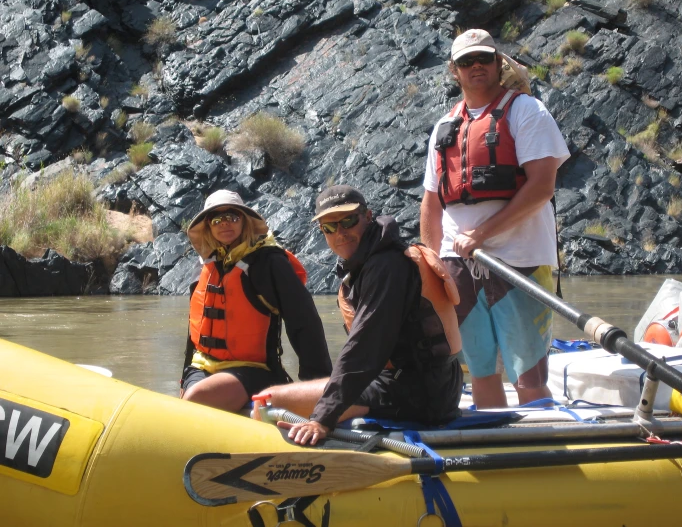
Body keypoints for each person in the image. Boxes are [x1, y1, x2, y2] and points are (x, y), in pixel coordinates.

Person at [420, 29, 571, 409]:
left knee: (528, 374)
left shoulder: (526, 111)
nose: (476, 67)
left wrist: (482, 235)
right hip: (458, 266)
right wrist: (429, 261)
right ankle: (494, 441)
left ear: (496, 63)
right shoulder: (443, 127)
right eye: (466, 62)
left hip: (520, 260)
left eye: (483, 59)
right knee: (481, 368)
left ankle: (546, 454)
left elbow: (541, 187)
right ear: (454, 71)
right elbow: (431, 204)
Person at [253, 185, 464, 445]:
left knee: (271, 400)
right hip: (406, 383)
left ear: (367, 216)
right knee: (269, 398)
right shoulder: (367, 265)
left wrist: (322, 417)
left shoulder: (388, 266)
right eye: (329, 228)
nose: (340, 233)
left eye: (348, 221)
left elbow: (365, 347)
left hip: (419, 393)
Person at [180, 189, 332, 412]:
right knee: (189, 395)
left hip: (253, 369)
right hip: (202, 366)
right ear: (208, 227)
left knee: (197, 397)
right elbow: (195, 327)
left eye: (232, 217)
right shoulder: (205, 265)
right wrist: (185, 376)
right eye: (216, 219)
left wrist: (317, 385)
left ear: (244, 221)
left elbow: (304, 323)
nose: (225, 224)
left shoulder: (270, 263)